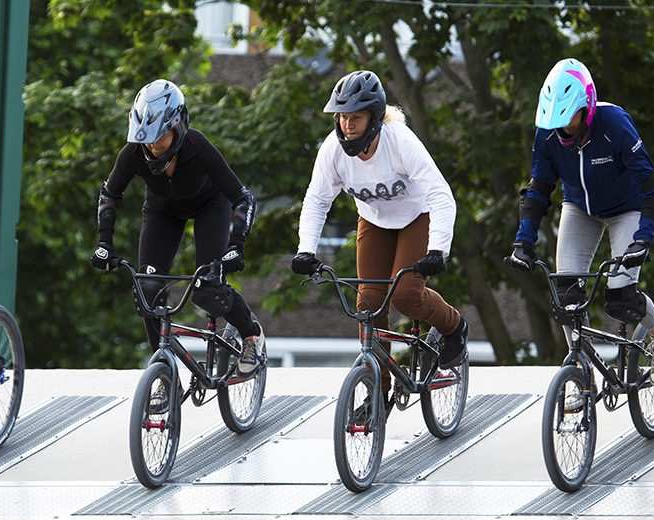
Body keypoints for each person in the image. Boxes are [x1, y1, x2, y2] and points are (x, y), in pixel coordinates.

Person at [504, 58, 654, 407]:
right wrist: (524, 242)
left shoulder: (614, 123)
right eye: (557, 121)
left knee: (619, 297)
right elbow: (538, 190)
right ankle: (579, 371)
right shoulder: (547, 131)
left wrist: (643, 238)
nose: (563, 129)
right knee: (566, 297)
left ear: (588, 107)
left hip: (626, 209)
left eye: (570, 118)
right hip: (579, 208)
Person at [291, 70, 469, 391]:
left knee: (405, 296)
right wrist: (306, 249)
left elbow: (440, 194)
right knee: (369, 306)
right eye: (343, 117)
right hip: (373, 221)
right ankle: (376, 390)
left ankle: (454, 326)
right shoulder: (333, 150)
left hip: (417, 217)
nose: (347, 125)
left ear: (374, 118)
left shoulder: (399, 141)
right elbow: (317, 200)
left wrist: (438, 250)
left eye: (356, 117)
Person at [89, 79, 265, 379]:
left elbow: (243, 198)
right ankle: (162, 373)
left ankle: (251, 335)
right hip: (162, 211)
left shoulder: (199, 148)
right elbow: (110, 194)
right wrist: (104, 242)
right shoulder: (133, 153)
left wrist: (236, 244)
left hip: (210, 206)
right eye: (146, 139)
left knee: (207, 290)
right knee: (147, 290)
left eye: (161, 138)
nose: (153, 147)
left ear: (179, 127)